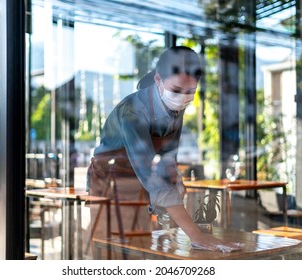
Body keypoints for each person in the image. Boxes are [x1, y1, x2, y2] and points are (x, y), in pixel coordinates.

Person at [87, 46, 240, 251]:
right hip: (111, 179)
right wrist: (196, 235)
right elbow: (148, 171)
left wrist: (174, 176)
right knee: (113, 248)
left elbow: (168, 156)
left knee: (139, 245)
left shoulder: (176, 105)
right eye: (176, 90)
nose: (183, 97)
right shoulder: (133, 112)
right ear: (158, 80)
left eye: (190, 92)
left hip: (137, 182)